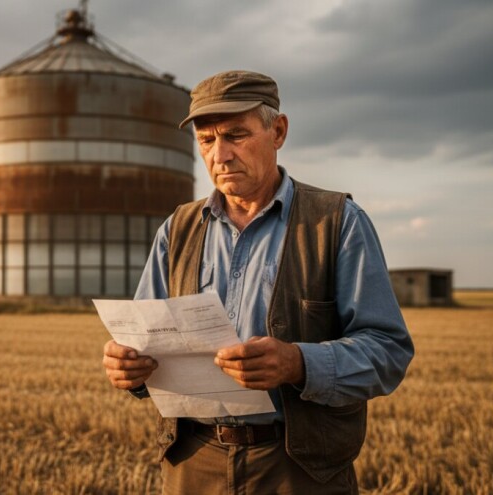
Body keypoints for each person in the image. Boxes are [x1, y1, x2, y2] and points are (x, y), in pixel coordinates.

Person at [101, 70, 414, 494]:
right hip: (193, 463)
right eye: (206, 141)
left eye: (235, 135)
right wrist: (128, 367)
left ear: (278, 131)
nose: (220, 155)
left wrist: (298, 362)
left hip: (300, 469)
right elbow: (144, 337)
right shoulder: (177, 229)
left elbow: (388, 351)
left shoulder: (337, 222)